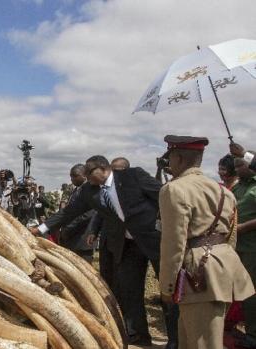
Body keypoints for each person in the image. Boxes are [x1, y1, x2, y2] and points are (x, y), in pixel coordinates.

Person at [31, 155, 178, 348]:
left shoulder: (134, 176)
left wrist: (167, 225)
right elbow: (68, 212)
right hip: (126, 246)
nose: (87, 178)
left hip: (154, 241)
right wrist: (40, 229)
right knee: (129, 291)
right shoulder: (89, 191)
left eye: (89, 173)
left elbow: (163, 196)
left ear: (102, 168)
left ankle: (176, 339)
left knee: (168, 289)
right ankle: (138, 336)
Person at [159, 135, 254, 349]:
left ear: (179, 158)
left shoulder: (174, 189)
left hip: (198, 274)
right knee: (194, 339)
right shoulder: (223, 191)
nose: (169, 163)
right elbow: (231, 236)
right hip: (222, 267)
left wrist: (167, 286)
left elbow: (173, 243)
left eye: (171, 157)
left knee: (203, 343)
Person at [231, 153, 256, 348]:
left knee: (251, 293)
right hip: (235, 248)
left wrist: (240, 228)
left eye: (240, 165)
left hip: (251, 248)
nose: (237, 169)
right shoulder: (238, 186)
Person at [57, 164, 96, 262]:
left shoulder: (92, 190)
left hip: (83, 238)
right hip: (71, 237)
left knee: (84, 272)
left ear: (84, 175)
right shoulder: (75, 190)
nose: (72, 179)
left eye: (75, 176)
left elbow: (89, 214)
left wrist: (69, 227)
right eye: (70, 176)